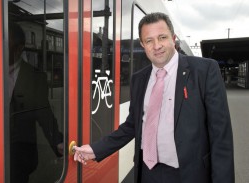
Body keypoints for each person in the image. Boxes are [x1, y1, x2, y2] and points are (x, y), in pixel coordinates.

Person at [74, 12, 234, 183]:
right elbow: (132, 126)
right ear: (143, 44)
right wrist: (95, 149)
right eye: (149, 40)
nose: (156, 45)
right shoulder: (139, 78)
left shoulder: (204, 71)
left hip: (188, 174)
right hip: (147, 173)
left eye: (162, 37)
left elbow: (221, 138)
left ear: (173, 38)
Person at [9, 22, 64, 183]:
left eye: (7, 42)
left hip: (19, 153)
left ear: (19, 48)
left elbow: (44, 114)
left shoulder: (35, 77)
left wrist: (58, 143)